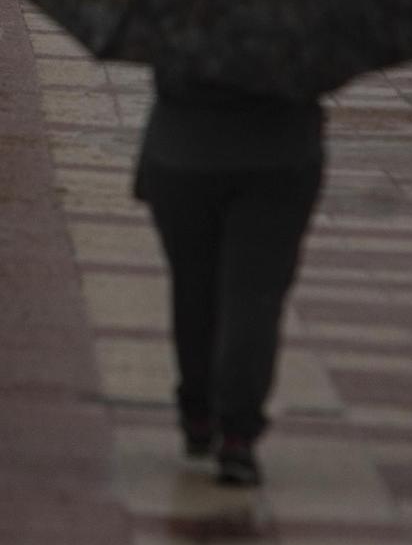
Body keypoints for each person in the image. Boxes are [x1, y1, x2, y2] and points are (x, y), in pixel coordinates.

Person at [132, 74, 325, 487]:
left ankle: (198, 411)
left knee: (193, 285)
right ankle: (237, 433)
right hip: (280, 156)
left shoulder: (175, 9)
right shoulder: (305, 11)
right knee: (256, 294)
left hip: (183, 152)